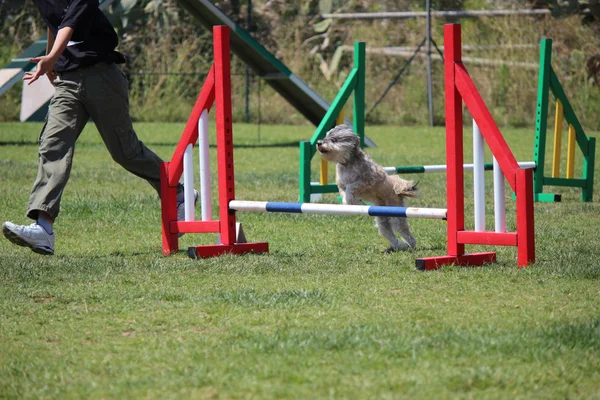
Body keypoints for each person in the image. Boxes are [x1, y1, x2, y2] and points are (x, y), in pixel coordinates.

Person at [2, 0, 195, 255]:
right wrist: (52, 62)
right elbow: (54, 23)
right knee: (52, 145)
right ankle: (43, 229)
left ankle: (177, 191)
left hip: (101, 76)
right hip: (68, 81)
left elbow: (70, 23)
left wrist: (51, 57)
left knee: (126, 152)